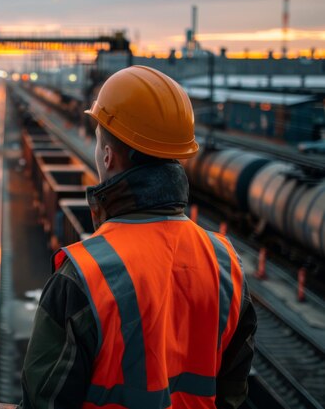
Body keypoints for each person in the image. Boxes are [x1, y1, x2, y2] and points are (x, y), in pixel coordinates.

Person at [21, 66, 256, 409]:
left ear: (107, 155)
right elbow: (233, 394)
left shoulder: (84, 275)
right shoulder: (226, 264)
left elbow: (44, 400)